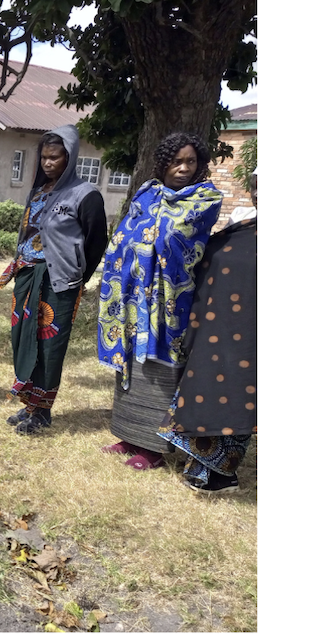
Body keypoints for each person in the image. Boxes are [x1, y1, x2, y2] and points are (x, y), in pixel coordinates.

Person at [96, 132, 223, 470]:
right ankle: (127, 434)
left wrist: (147, 243)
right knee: (131, 366)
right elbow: (127, 233)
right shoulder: (147, 193)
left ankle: (152, 449)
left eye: (191, 161)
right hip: (134, 296)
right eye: (177, 161)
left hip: (170, 301)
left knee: (159, 369)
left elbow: (175, 237)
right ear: (163, 162)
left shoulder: (204, 199)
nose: (183, 168)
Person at [0, 125, 110, 435]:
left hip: (59, 282)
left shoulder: (85, 195)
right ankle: (30, 404)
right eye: (44, 157)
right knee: (23, 339)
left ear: (69, 157)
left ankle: (43, 411)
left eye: (55, 157)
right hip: (26, 277)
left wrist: (79, 277)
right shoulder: (37, 191)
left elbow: (96, 240)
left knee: (50, 346)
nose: (48, 163)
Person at [158, 164, 256, 493]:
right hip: (217, 325)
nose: (259, 193)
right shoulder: (242, 225)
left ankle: (221, 475)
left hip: (249, 335)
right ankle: (201, 467)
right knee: (209, 390)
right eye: (257, 186)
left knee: (236, 397)